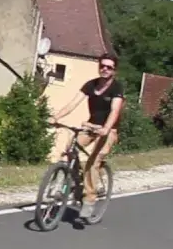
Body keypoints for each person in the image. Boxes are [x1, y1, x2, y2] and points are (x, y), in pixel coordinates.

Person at [48, 52, 124, 220]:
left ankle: (89, 199)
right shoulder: (91, 85)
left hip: (108, 130)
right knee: (70, 150)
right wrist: (56, 117)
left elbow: (114, 111)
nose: (104, 69)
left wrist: (106, 128)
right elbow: (73, 103)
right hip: (90, 126)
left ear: (114, 71)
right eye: (102, 65)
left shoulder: (116, 88)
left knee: (92, 162)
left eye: (109, 67)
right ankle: (62, 184)